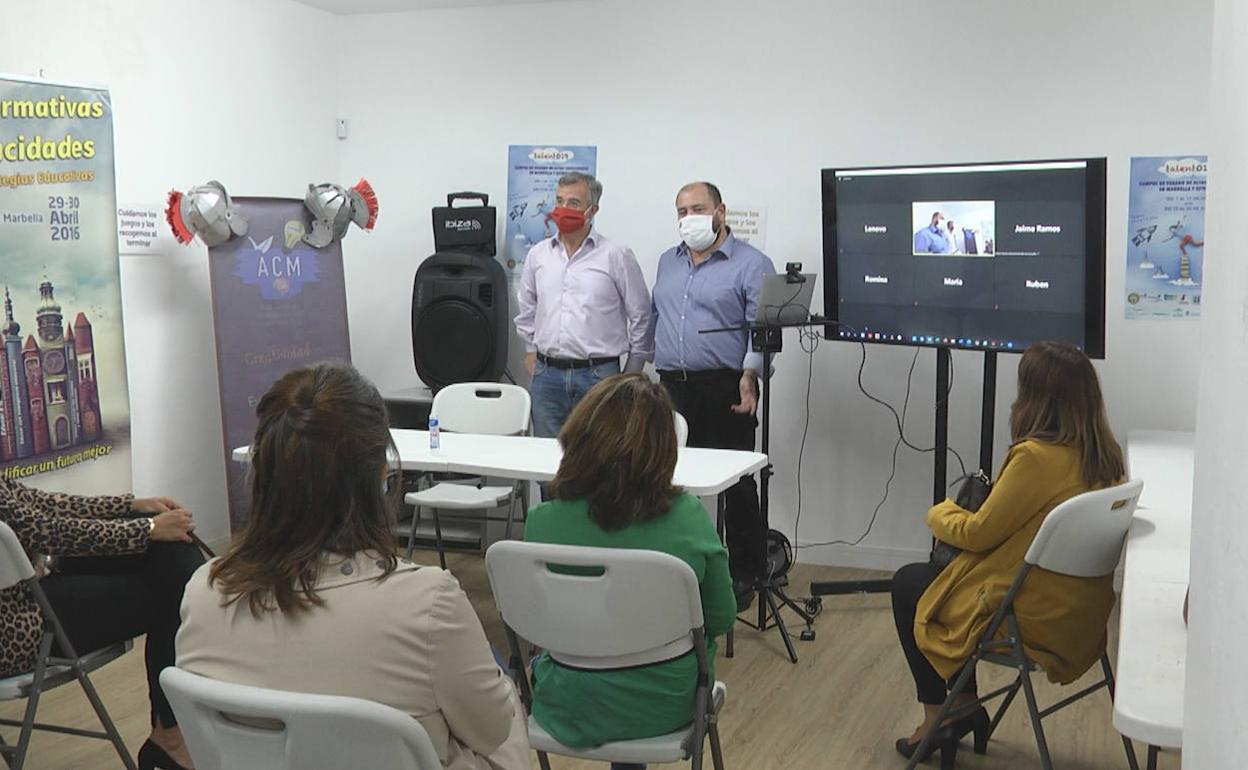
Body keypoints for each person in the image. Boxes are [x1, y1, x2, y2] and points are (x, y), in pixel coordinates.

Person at [176, 361, 529, 770]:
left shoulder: (204, 593)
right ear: (380, 474)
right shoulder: (429, 605)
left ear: (264, 473)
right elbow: (493, 730)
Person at [890, 341, 1126, 763]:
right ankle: (962, 706)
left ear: (1037, 400)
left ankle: (938, 717)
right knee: (939, 579)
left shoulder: (1036, 458)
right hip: (1080, 619)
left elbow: (979, 533)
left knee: (911, 583)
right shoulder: (1105, 459)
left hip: (1030, 619)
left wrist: (939, 512)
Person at [524, 373, 735, 770]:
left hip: (569, 703)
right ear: (661, 450)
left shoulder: (541, 522)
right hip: (663, 705)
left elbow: (533, 625)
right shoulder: (688, 518)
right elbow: (721, 617)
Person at [0, 479, 204, 770]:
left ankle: (173, 732)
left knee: (170, 555)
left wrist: (131, 508)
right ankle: (171, 737)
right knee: (175, 591)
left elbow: (39, 505)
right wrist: (147, 529)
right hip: (17, 627)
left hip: (26, 595)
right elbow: (42, 530)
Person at [651, 180, 774, 606]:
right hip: (671, 386)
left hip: (725, 386)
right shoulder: (668, 262)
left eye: (697, 208)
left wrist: (751, 375)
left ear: (720, 211)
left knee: (735, 484)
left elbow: (762, 329)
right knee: (667, 480)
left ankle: (747, 573)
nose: (689, 218)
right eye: (682, 211)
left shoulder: (752, 263)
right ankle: (675, 566)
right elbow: (656, 317)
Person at [514, 171, 654, 439]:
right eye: (559, 201)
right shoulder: (538, 255)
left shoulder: (616, 255)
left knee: (598, 459)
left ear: (593, 209)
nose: (564, 209)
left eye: (574, 203)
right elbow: (527, 307)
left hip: (599, 376)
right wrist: (531, 350)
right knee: (547, 462)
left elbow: (641, 314)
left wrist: (633, 372)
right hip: (547, 376)